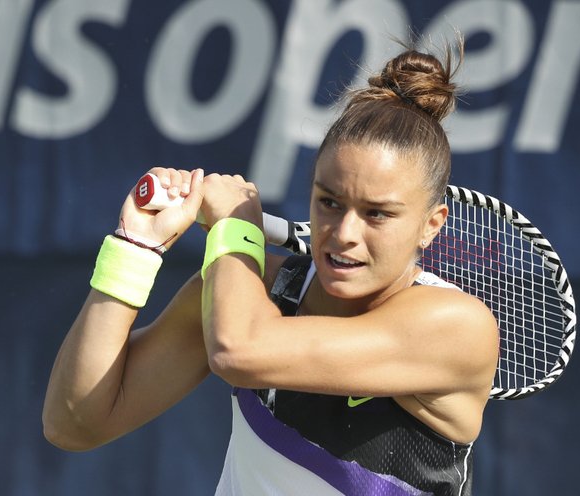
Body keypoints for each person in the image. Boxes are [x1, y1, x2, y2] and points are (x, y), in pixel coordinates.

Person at [43, 46, 498, 496]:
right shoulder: (252, 289)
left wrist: (236, 226)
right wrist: (135, 248)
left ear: (431, 225)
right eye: (330, 202)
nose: (344, 233)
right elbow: (74, 423)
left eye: (377, 214)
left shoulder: (456, 327)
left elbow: (238, 352)